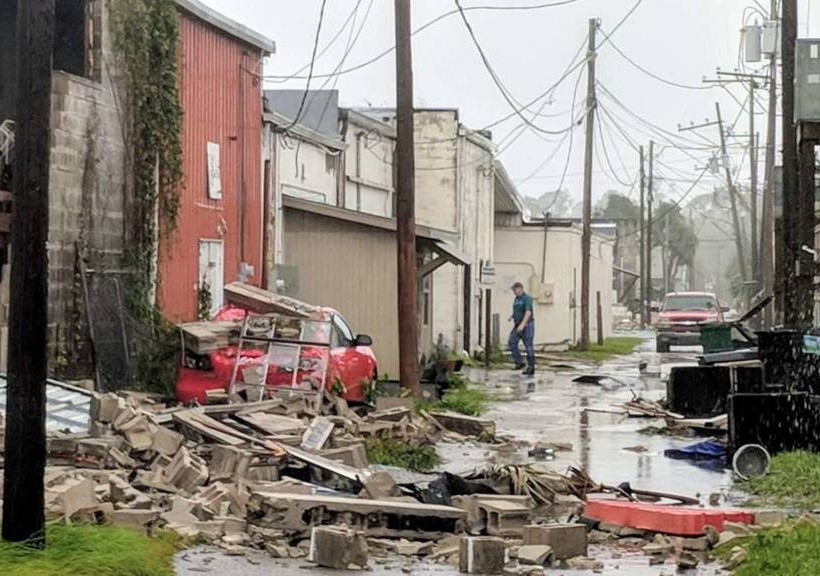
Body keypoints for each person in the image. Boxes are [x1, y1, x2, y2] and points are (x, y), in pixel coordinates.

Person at [509, 282, 535, 375]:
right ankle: (519, 362)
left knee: (528, 345)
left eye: (514, 290)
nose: (514, 292)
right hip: (517, 323)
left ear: (520, 288)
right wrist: (512, 316)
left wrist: (523, 324)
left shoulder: (526, 298)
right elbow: (517, 310)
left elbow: (528, 312)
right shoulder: (517, 299)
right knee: (512, 342)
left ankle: (531, 366)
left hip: (527, 324)